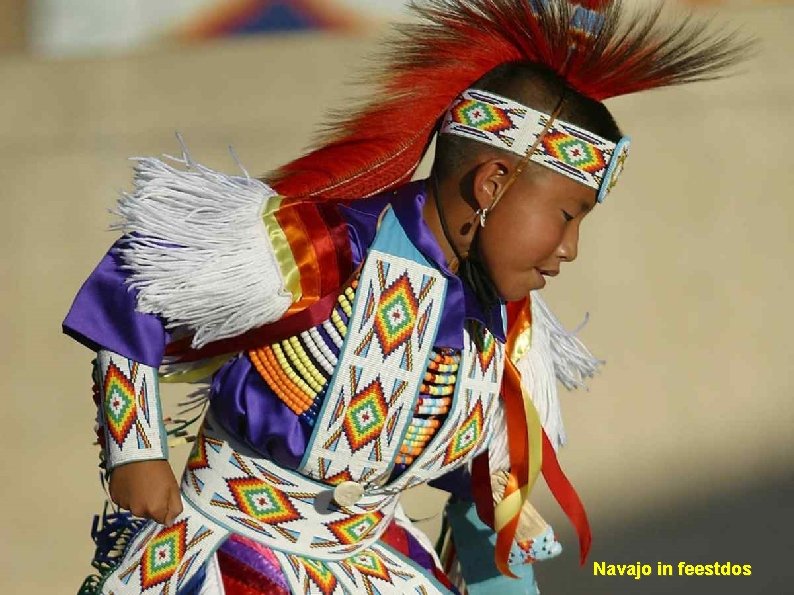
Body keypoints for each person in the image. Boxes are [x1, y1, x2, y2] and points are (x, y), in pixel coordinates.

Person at [65, 1, 750, 593]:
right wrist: (137, 450)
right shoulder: (321, 248)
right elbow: (138, 278)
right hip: (228, 552)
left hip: (372, 564)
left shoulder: (501, 328)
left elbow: (484, 494)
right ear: (492, 184)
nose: (569, 249)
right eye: (568, 216)